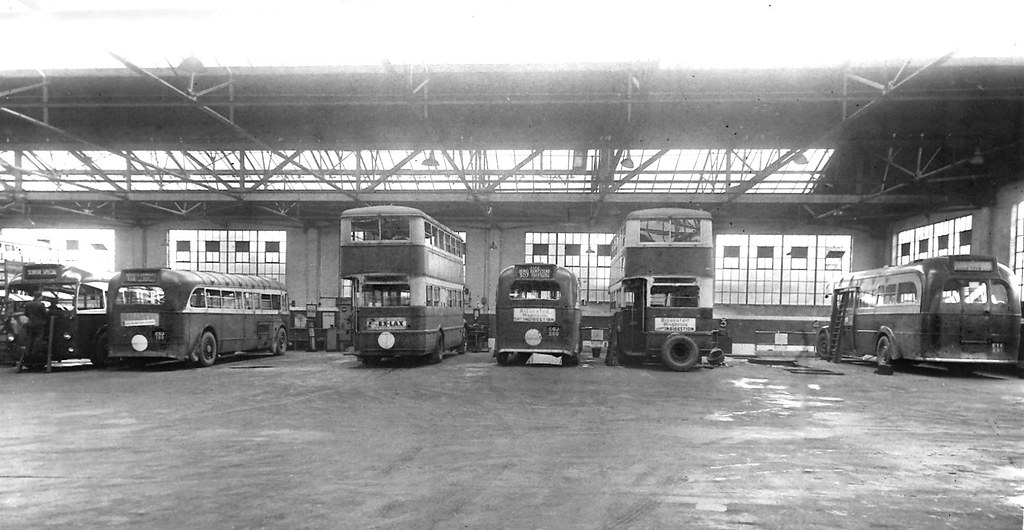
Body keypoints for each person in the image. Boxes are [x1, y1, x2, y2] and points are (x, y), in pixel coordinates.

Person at [23, 292, 50, 362]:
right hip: (40, 324)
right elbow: (45, 314)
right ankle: (35, 352)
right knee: (38, 338)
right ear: (40, 297)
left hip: (30, 323)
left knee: (30, 338)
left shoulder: (28, 304)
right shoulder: (41, 305)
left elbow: (26, 314)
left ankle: (27, 351)